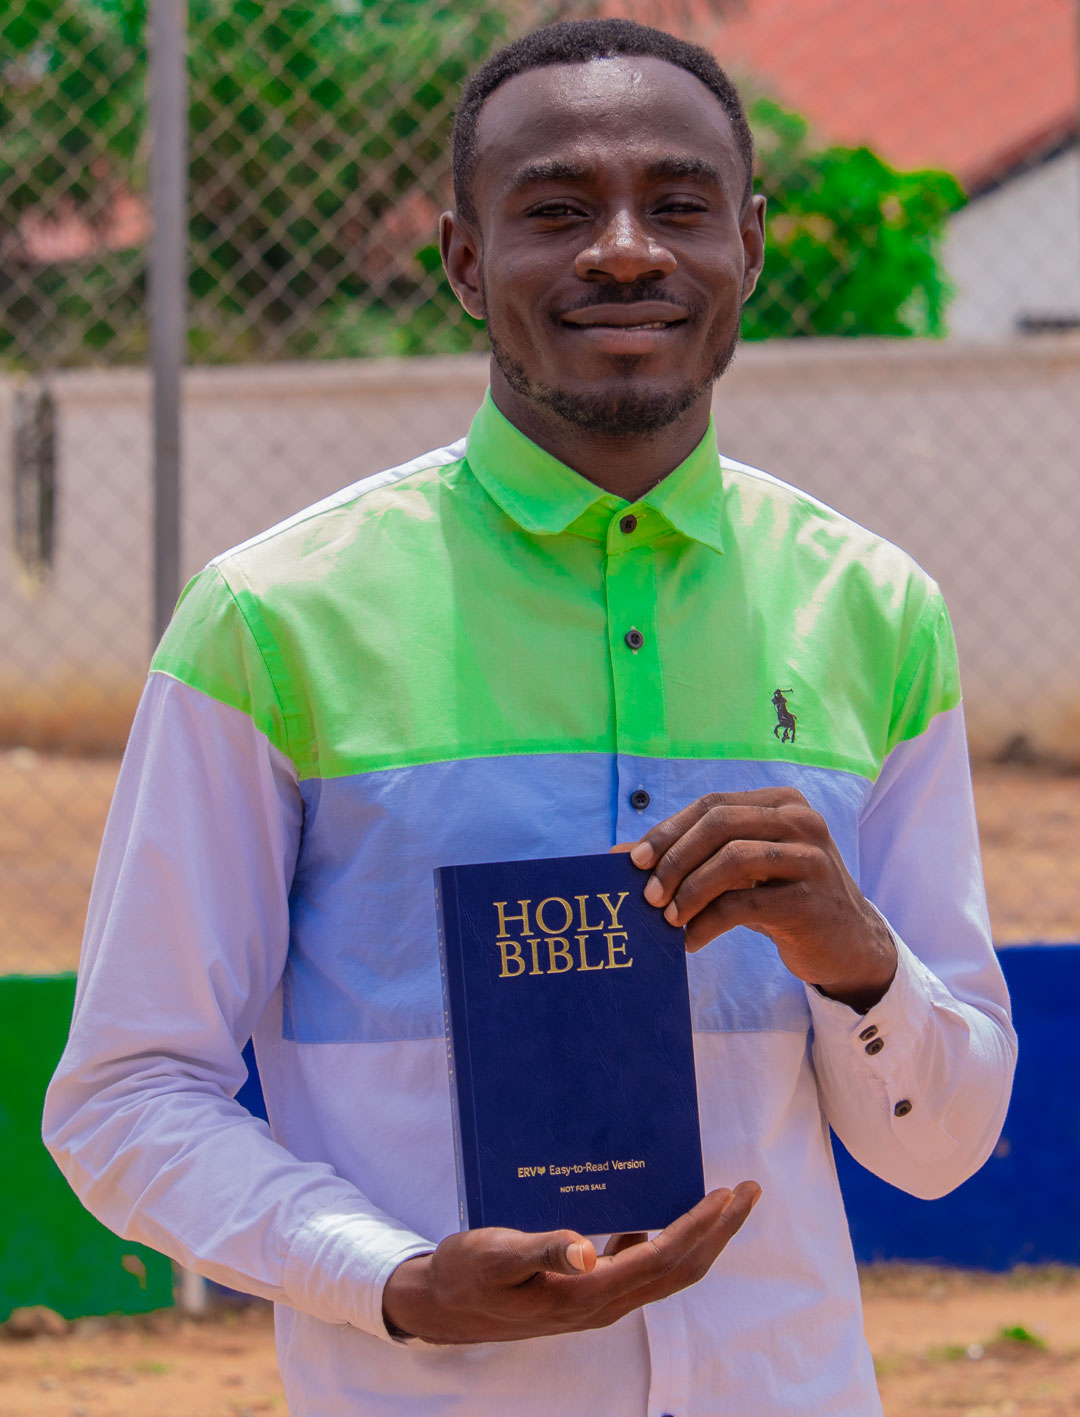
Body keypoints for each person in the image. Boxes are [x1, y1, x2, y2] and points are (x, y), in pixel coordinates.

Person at [44, 18, 1016, 1417]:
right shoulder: (273, 620)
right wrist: (387, 1274)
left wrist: (856, 958)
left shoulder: (875, 612)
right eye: (556, 209)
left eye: (678, 206)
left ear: (747, 244)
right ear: (460, 260)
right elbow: (125, 1095)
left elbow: (945, 1143)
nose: (626, 249)